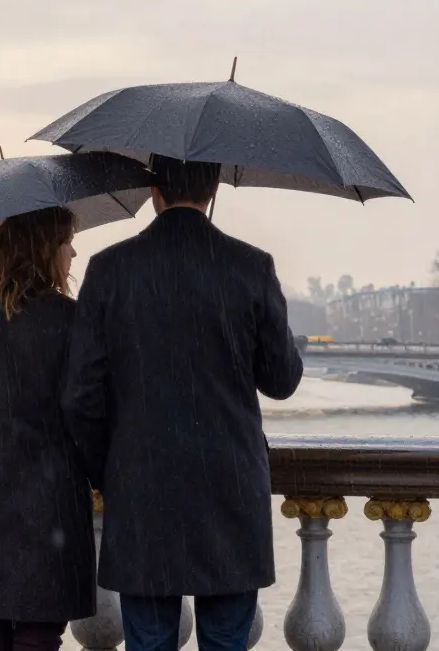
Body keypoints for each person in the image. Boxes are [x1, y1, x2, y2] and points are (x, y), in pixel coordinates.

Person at [62, 156, 303, 651]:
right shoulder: (251, 266)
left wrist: (110, 469)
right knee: (226, 641)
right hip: (230, 490)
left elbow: (81, 397)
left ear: (154, 191)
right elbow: (282, 381)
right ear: (213, 188)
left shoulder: (109, 269)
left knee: (148, 642)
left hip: (142, 488)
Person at [0, 206, 96, 651]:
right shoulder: (72, 319)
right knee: (40, 634)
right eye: (66, 242)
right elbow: (87, 414)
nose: (73, 252)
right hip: (49, 506)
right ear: (46, 249)